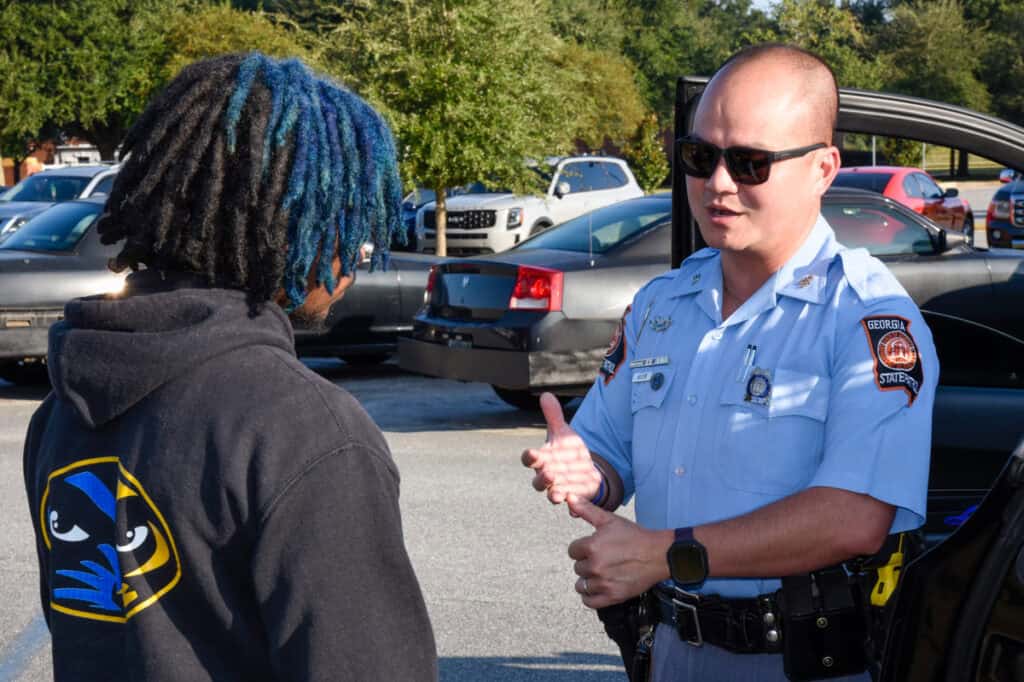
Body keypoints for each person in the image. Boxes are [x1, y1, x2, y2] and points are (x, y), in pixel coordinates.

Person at [522, 43, 938, 681]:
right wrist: (585, 472)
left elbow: (854, 517)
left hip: (799, 662)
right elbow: (609, 457)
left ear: (824, 169)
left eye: (750, 163)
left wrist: (666, 556)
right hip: (666, 650)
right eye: (700, 156)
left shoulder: (867, 319)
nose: (718, 183)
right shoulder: (663, 305)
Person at [22, 53, 437, 681]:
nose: (358, 255)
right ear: (289, 224)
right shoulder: (306, 431)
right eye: (347, 223)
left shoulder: (62, 405)